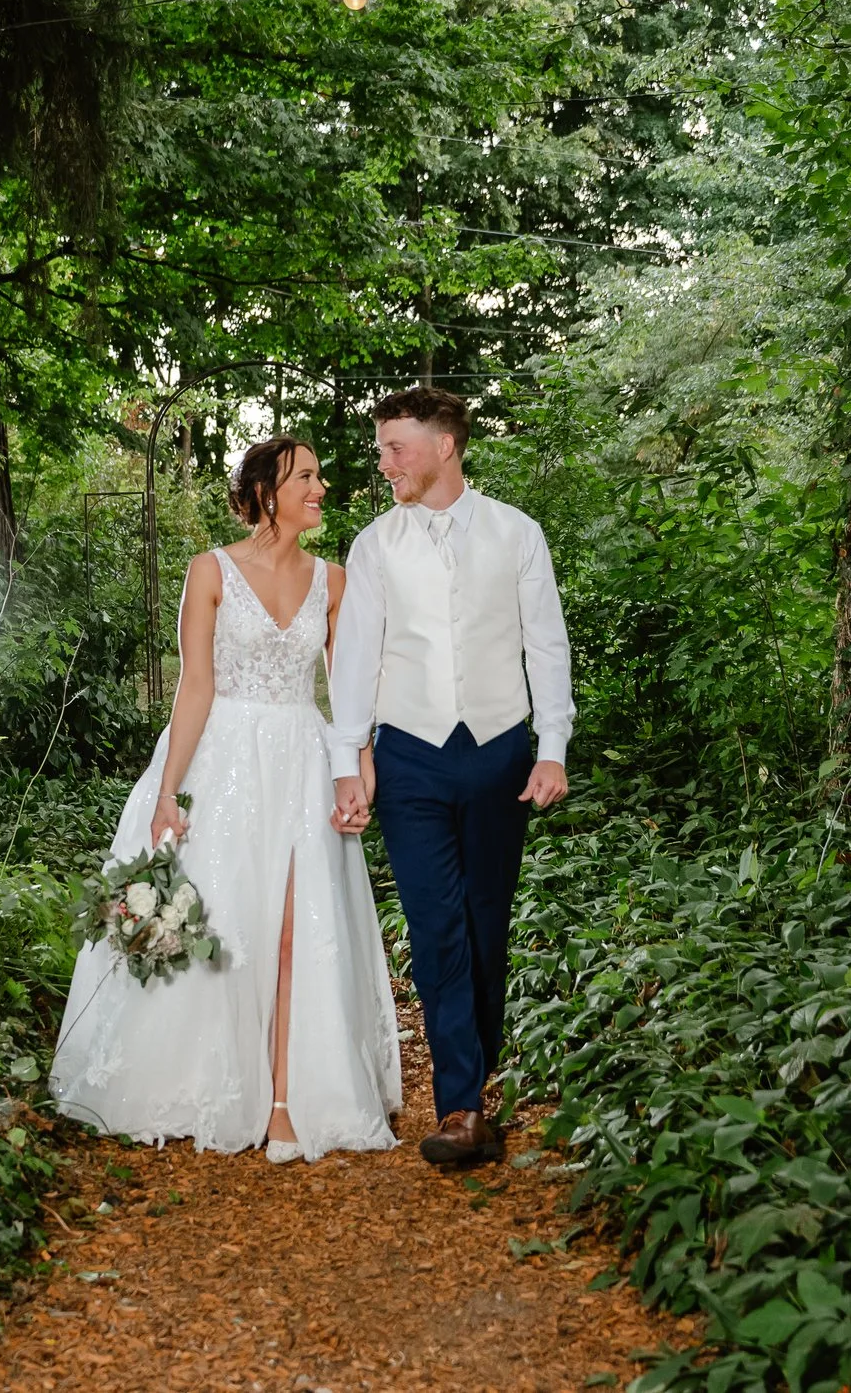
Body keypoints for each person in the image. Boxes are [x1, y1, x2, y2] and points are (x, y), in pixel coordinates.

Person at [49, 438, 401, 1162]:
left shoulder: (334, 581)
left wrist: (359, 766)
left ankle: (283, 1101)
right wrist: (170, 789)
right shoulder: (208, 570)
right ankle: (206, 1078)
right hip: (225, 760)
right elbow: (195, 686)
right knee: (225, 918)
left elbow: (350, 689)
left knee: (294, 927)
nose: (321, 486)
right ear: (269, 489)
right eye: (308, 475)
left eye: (318, 474)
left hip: (303, 758)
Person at [329, 387, 572, 1168]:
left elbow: (547, 644)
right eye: (382, 448)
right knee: (435, 927)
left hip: (500, 749)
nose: (385, 462)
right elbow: (355, 660)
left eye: (397, 446)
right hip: (409, 755)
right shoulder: (374, 545)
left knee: (484, 922)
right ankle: (461, 1106)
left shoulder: (517, 532)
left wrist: (552, 744)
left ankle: (476, 1080)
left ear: (445, 446)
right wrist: (349, 761)